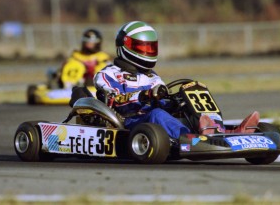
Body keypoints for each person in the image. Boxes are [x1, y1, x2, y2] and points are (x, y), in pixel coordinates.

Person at [93, 21, 259, 139]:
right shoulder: (108, 74)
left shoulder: (151, 75)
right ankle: (192, 138)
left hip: (151, 119)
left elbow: (162, 99)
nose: (148, 52)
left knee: (187, 99)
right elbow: (114, 101)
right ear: (126, 45)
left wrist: (178, 99)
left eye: (151, 47)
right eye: (143, 47)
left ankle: (222, 132)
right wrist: (145, 95)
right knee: (157, 114)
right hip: (129, 121)